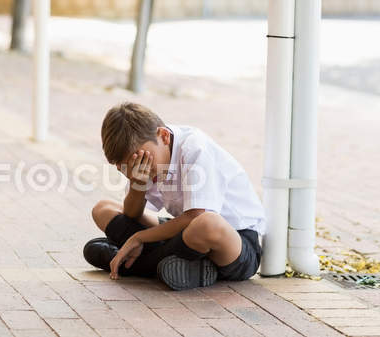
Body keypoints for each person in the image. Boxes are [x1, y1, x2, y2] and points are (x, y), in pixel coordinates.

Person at [84, 102, 266, 290]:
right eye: (128, 169)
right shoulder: (149, 158)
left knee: (207, 223)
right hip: (184, 234)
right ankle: (178, 267)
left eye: (146, 161)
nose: (143, 167)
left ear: (163, 136)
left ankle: (136, 265)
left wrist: (139, 238)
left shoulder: (195, 148)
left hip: (234, 243)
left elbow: (196, 216)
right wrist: (139, 183)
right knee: (103, 209)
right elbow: (131, 215)